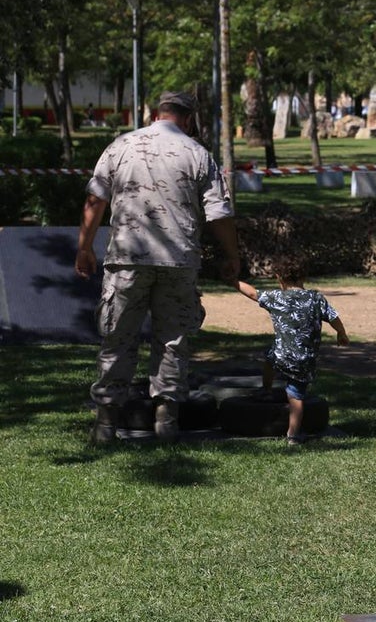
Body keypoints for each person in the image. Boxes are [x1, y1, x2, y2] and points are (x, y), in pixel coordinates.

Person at [76, 91, 239, 443]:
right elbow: (219, 214)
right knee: (172, 340)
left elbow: (95, 199)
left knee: (118, 338)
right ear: (190, 117)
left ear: (154, 113)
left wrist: (85, 248)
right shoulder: (198, 154)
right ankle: (167, 421)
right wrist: (233, 256)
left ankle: (105, 424)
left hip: (127, 260)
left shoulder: (120, 146)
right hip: (178, 261)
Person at [235, 258, 349, 446]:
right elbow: (334, 317)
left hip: (281, 355)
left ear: (279, 278)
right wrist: (341, 333)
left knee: (270, 358)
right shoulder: (316, 298)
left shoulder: (276, 297)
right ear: (303, 277)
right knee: (296, 396)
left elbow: (253, 294)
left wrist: (233, 281)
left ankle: (266, 389)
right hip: (304, 359)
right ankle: (293, 434)